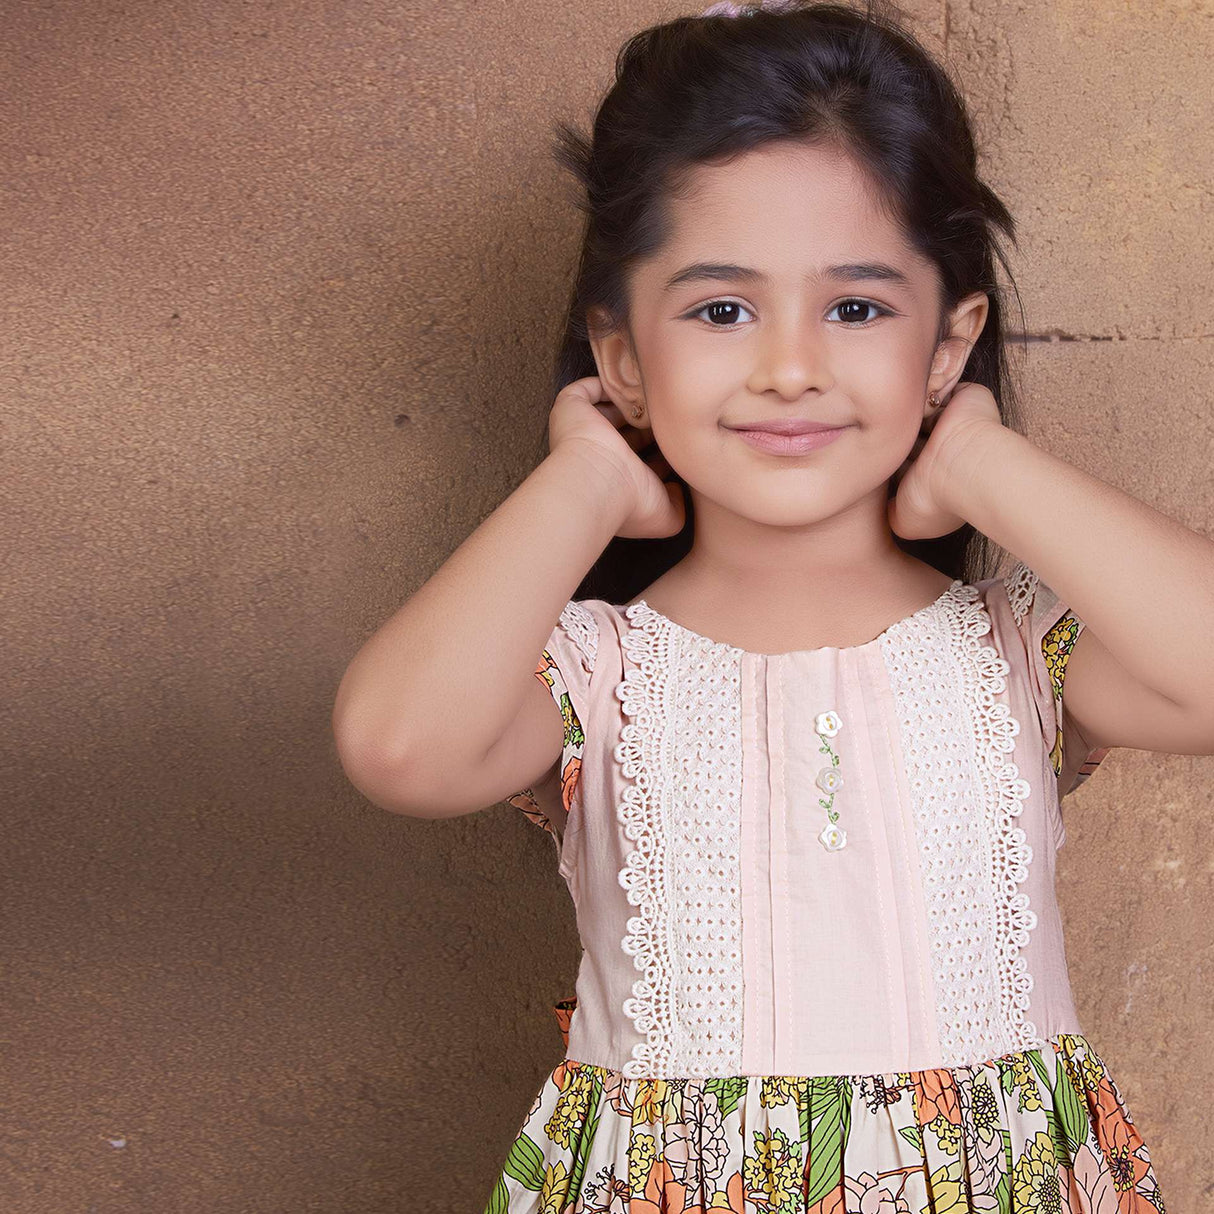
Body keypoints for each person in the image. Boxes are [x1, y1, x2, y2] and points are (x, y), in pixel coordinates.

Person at [330, 1, 1210, 1208]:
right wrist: (581, 477)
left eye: (854, 308)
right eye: (720, 309)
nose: (787, 364)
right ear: (622, 354)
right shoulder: (598, 669)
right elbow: (398, 745)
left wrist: (982, 465)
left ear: (946, 345)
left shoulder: (1016, 644)